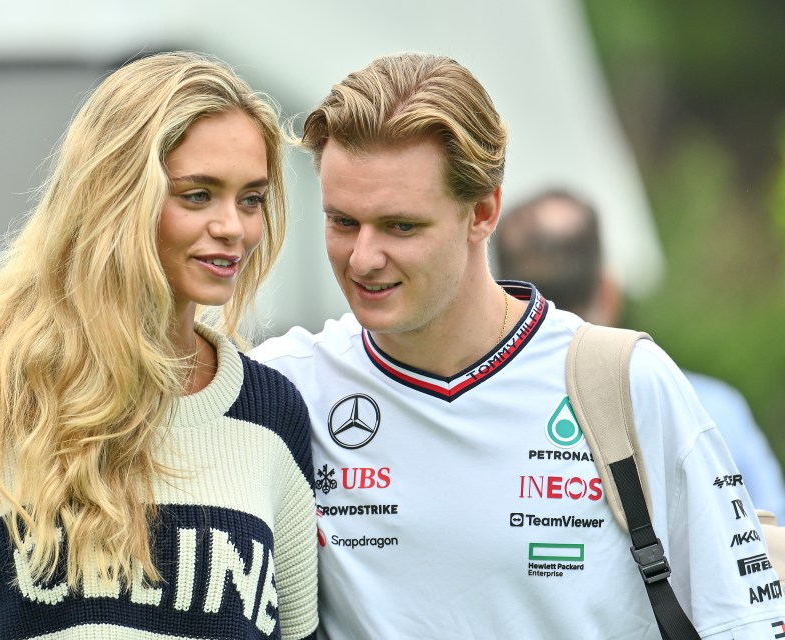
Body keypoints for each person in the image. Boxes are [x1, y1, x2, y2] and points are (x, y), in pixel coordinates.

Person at [251, 52, 785, 639]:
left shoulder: (625, 382)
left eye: (402, 226)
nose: (364, 258)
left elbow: (743, 624)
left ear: (482, 212)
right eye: (343, 222)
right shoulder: (282, 388)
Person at [0, 52, 318, 640]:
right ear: (116, 196)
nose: (233, 228)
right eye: (197, 195)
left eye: (251, 198)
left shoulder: (272, 414)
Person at [494, 188, 785, 518]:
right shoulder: (710, 410)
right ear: (608, 293)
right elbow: (770, 537)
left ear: (503, 300)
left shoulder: (477, 416)